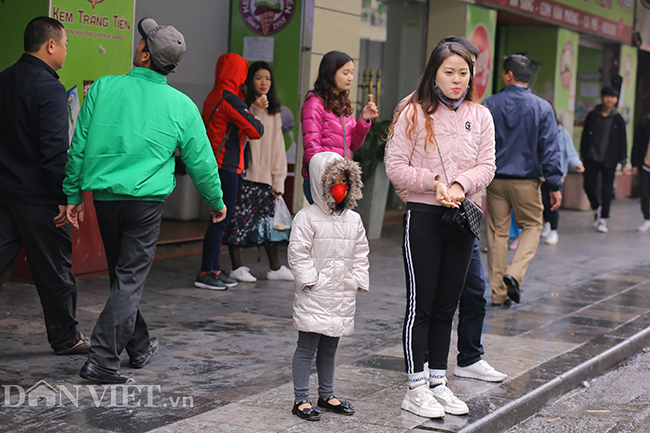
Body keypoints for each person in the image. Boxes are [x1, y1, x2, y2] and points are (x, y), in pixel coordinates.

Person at [63, 17, 227, 384]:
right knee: (129, 278)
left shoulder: (103, 88)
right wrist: (215, 201)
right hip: (146, 203)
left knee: (123, 276)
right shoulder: (181, 105)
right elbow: (201, 160)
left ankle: (138, 345)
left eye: (142, 41)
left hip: (105, 199)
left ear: (144, 53)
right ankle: (103, 360)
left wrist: (73, 194)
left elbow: (78, 145)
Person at [385, 40, 496, 418]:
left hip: (463, 215)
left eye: (463, 73)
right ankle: (415, 388)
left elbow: (488, 165)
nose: (456, 80)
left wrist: (461, 185)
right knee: (423, 304)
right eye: (449, 72)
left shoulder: (480, 116)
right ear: (434, 72)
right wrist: (433, 182)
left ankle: (437, 382)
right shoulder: (413, 113)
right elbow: (395, 166)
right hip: (425, 215)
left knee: (449, 303)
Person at [0, 16, 89, 356]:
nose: (66, 51)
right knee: (54, 273)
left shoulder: (4, 80)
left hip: (4, 195)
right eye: (65, 44)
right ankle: (67, 338)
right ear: (50, 45)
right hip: (38, 200)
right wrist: (67, 195)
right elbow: (54, 150)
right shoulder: (50, 88)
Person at [288, 151, 369, 421]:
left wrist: (357, 279)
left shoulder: (353, 220)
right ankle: (301, 398)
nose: (340, 187)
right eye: (334, 180)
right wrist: (310, 280)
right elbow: (298, 252)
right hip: (316, 293)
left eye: (346, 181)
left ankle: (327, 393)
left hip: (341, 294)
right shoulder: (306, 217)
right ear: (320, 183)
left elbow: (361, 252)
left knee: (330, 347)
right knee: (307, 346)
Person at [483, 55, 563, 306]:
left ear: (508, 75)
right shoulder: (542, 107)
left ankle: (498, 293)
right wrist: (554, 184)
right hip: (528, 181)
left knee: (497, 234)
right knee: (533, 226)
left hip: (495, 180)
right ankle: (514, 272)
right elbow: (550, 149)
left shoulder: (489, 104)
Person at [197, 53, 264, 290]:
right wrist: (252, 112)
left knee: (219, 218)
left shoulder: (214, 95)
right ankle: (206, 272)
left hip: (213, 165)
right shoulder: (231, 99)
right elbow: (256, 130)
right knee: (220, 220)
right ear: (240, 73)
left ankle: (214, 268)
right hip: (226, 166)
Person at [225, 61, 293, 282]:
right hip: (245, 175)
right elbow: (246, 132)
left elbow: (277, 148)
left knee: (267, 224)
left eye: (267, 78)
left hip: (265, 179)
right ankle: (236, 266)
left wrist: (279, 180)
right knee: (239, 221)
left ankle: (275, 268)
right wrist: (254, 108)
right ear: (249, 80)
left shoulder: (275, 110)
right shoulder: (243, 105)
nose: (264, 82)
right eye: (258, 78)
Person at [301, 50, 378, 204]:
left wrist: (363, 120)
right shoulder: (314, 104)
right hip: (322, 180)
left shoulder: (343, 104)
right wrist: (327, 176)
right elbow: (311, 148)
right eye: (345, 73)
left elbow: (354, 144)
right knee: (325, 227)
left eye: (352, 73)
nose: (350, 77)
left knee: (337, 227)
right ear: (330, 73)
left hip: (341, 180)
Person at [580, 85, 628, 234]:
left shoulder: (618, 119)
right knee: (588, 186)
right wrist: (583, 154)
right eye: (607, 96)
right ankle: (596, 207)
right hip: (591, 157)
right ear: (602, 97)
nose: (609, 99)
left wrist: (623, 161)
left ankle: (603, 219)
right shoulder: (592, 115)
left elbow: (622, 140)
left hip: (610, 158)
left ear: (616, 100)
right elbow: (584, 137)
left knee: (607, 190)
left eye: (613, 97)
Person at [541, 117, 584, 245]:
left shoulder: (562, 132)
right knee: (543, 202)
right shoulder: (538, 130)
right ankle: (547, 223)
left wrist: (577, 163)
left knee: (553, 201)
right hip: (540, 173)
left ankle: (553, 230)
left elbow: (570, 151)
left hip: (557, 173)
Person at [631, 114, 650, 231]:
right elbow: (637, 142)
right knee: (644, 193)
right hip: (646, 164)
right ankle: (647, 218)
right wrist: (634, 163)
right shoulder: (645, 122)